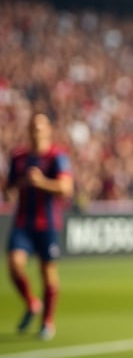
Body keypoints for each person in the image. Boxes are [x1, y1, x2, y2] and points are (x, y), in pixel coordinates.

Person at [4, 112, 74, 341]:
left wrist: (42, 182)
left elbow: (66, 188)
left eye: (41, 126)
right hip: (23, 222)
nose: (37, 131)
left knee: (48, 272)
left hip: (48, 222)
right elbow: (9, 189)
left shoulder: (57, 157)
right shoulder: (19, 157)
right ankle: (32, 302)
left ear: (48, 130)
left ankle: (47, 321)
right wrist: (18, 184)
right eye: (33, 126)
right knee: (14, 265)